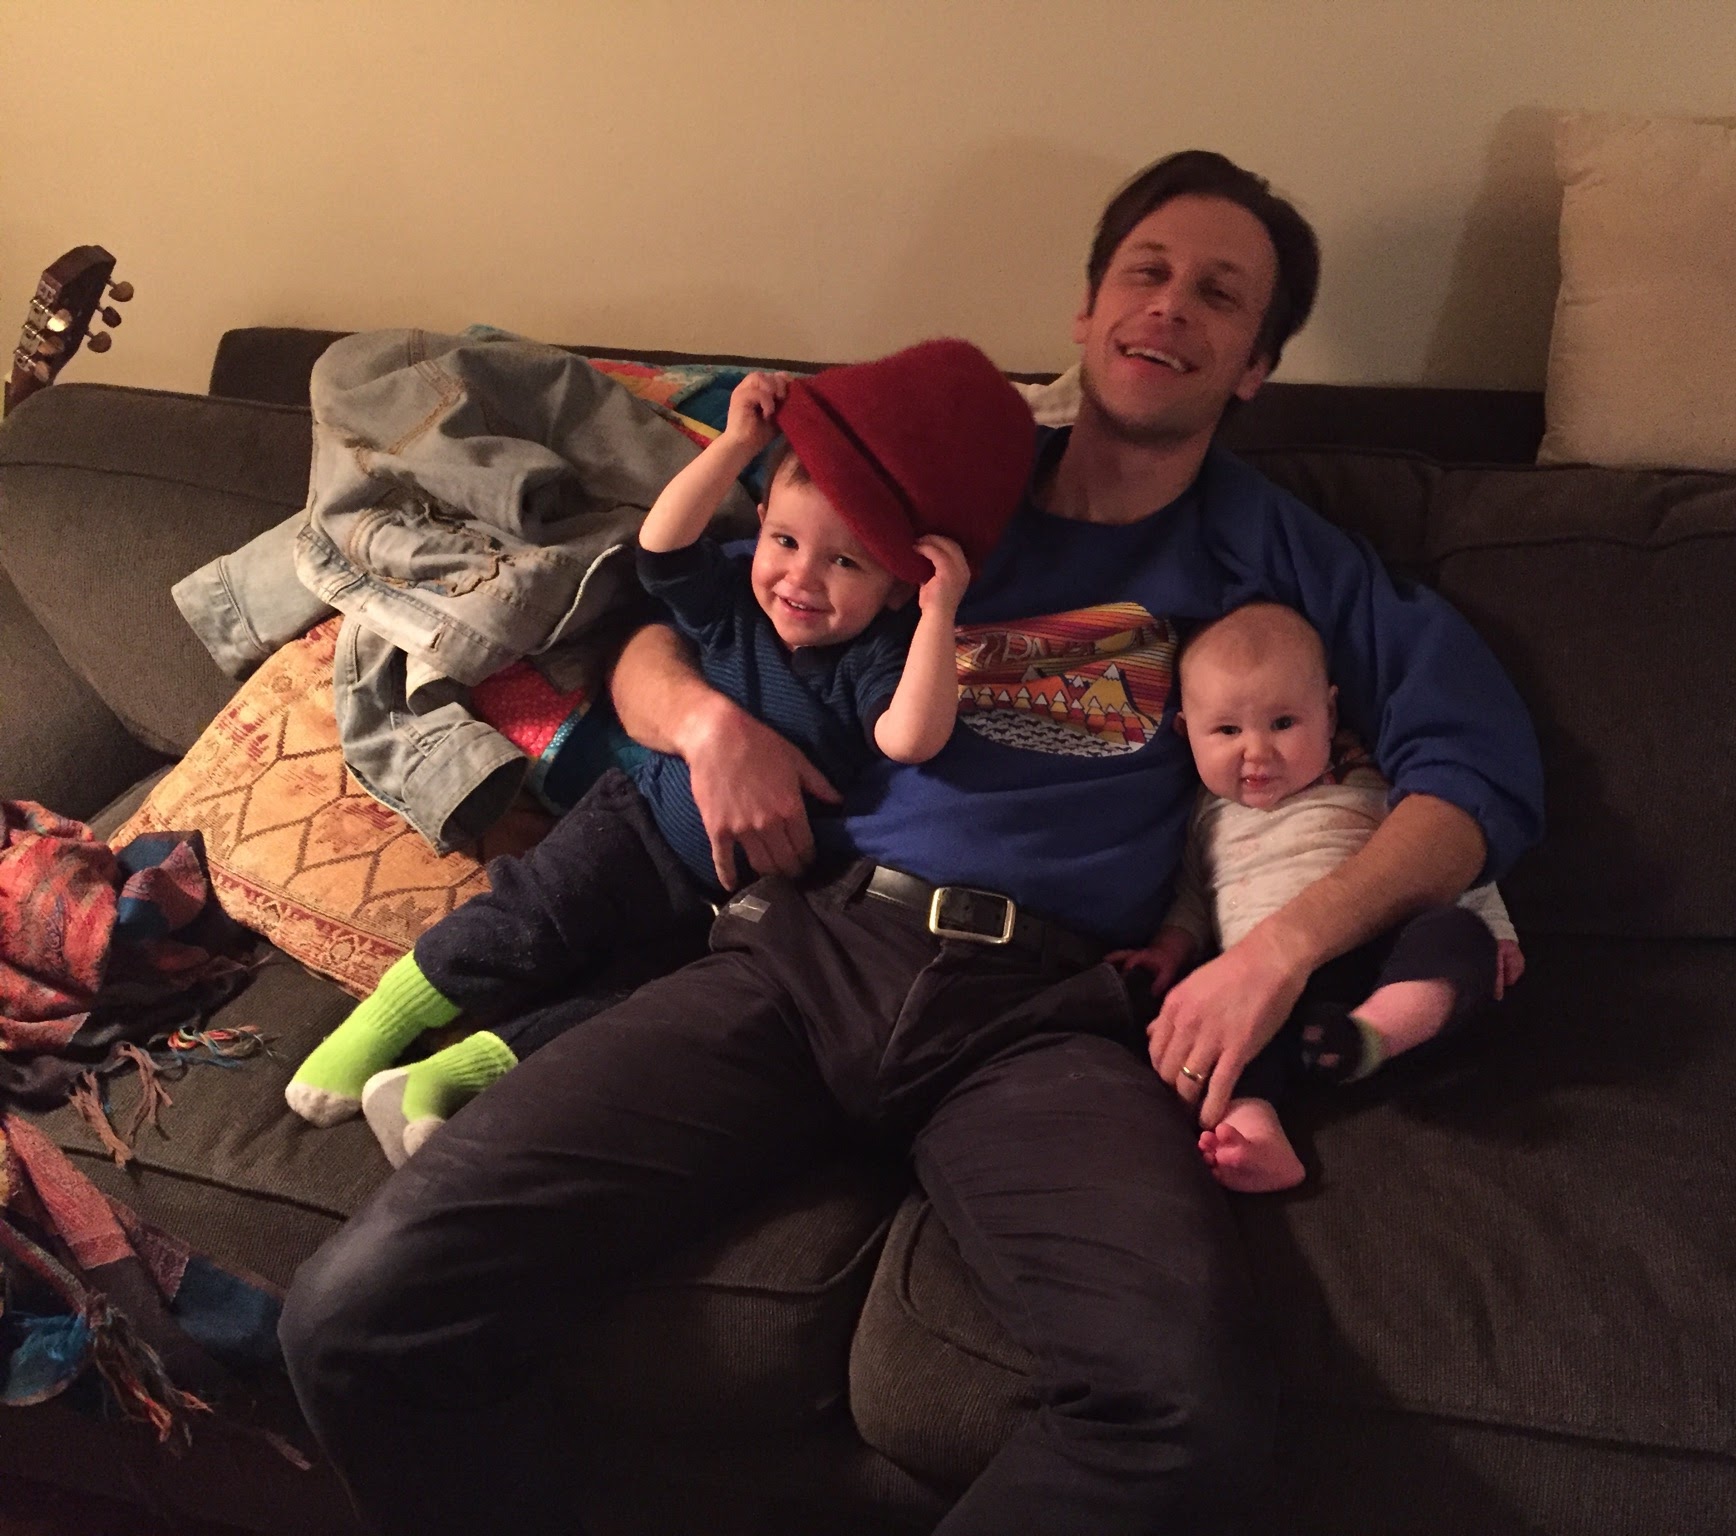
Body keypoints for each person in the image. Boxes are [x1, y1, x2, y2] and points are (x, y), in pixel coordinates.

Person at [280, 150, 1545, 1536]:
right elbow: (657, 624)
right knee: (357, 1314)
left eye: (1218, 295)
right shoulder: (946, 475)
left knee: (1182, 1413)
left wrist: (1279, 951)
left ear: (1253, 367)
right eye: (1147, 271)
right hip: (806, 951)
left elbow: (1476, 777)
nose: (1171, 307)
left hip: (1046, 1019)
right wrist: (708, 728)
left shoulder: (1280, 553)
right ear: (1086, 310)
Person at [281, 340, 1033, 1164]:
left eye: (844, 562)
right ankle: (379, 1025)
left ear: (894, 588)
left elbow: (911, 736)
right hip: (636, 827)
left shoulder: (876, 657)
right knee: (528, 922)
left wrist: (938, 613)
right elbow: (662, 548)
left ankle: (440, 1082)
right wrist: (737, 447)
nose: (800, 579)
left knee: (621, 1007)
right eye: (785, 541)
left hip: (736, 903)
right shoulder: (734, 602)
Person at [1111, 600, 1525, 1193]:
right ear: (1186, 735)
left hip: (1383, 955)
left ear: (1329, 714)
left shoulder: (1370, 774)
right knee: (1209, 1031)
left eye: (1283, 723)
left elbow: (1452, 859)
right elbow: (1193, 901)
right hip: (1261, 998)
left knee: (1458, 938)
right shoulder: (1204, 816)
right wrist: (1167, 951)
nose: (1257, 751)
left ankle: (1373, 1035)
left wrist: (1498, 931)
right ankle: (1255, 1131)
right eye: (1227, 731)